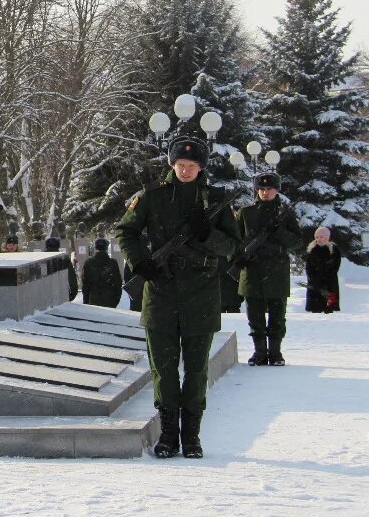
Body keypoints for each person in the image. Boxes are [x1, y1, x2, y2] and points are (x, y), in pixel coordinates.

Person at [116, 136, 238, 459]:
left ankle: (192, 436)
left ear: (201, 168)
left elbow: (232, 247)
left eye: (192, 166)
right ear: (172, 164)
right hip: (160, 295)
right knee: (164, 372)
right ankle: (168, 434)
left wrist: (206, 234)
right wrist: (140, 261)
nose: (185, 171)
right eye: (180, 165)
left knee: (197, 372)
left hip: (201, 297)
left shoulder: (216, 201)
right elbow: (124, 230)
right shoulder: (152, 197)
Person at [235, 172, 303, 366]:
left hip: (276, 269)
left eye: (269, 189)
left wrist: (279, 231)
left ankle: (275, 353)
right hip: (252, 270)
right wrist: (238, 258)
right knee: (254, 315)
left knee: (277, 314)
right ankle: (259, 352)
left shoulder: (285, 214)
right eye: (262, 189)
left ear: (277, 190)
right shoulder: (246, 212)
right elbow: (235, 239)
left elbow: (297, 242)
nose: (265, 192)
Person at [304, 227, 341, 314]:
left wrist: (325, 278)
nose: (318, 239)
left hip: (329, 283)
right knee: (315, 309)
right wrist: (313, 278)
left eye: (321, 237)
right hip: (314, 283)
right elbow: (308, 266)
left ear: (327, 237)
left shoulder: (333, 249)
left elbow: (335, 266)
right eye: (317, 237)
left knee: (328, 309)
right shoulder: (311, 249)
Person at [82, 238, 122, 308]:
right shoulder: (113, 263)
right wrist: (116, 299)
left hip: (93, 300)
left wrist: (85, 301)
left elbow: (85, 284)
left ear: (95, 248)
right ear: (106, 248)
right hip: (110, 299)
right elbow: (118, 283)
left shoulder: (88, 263)